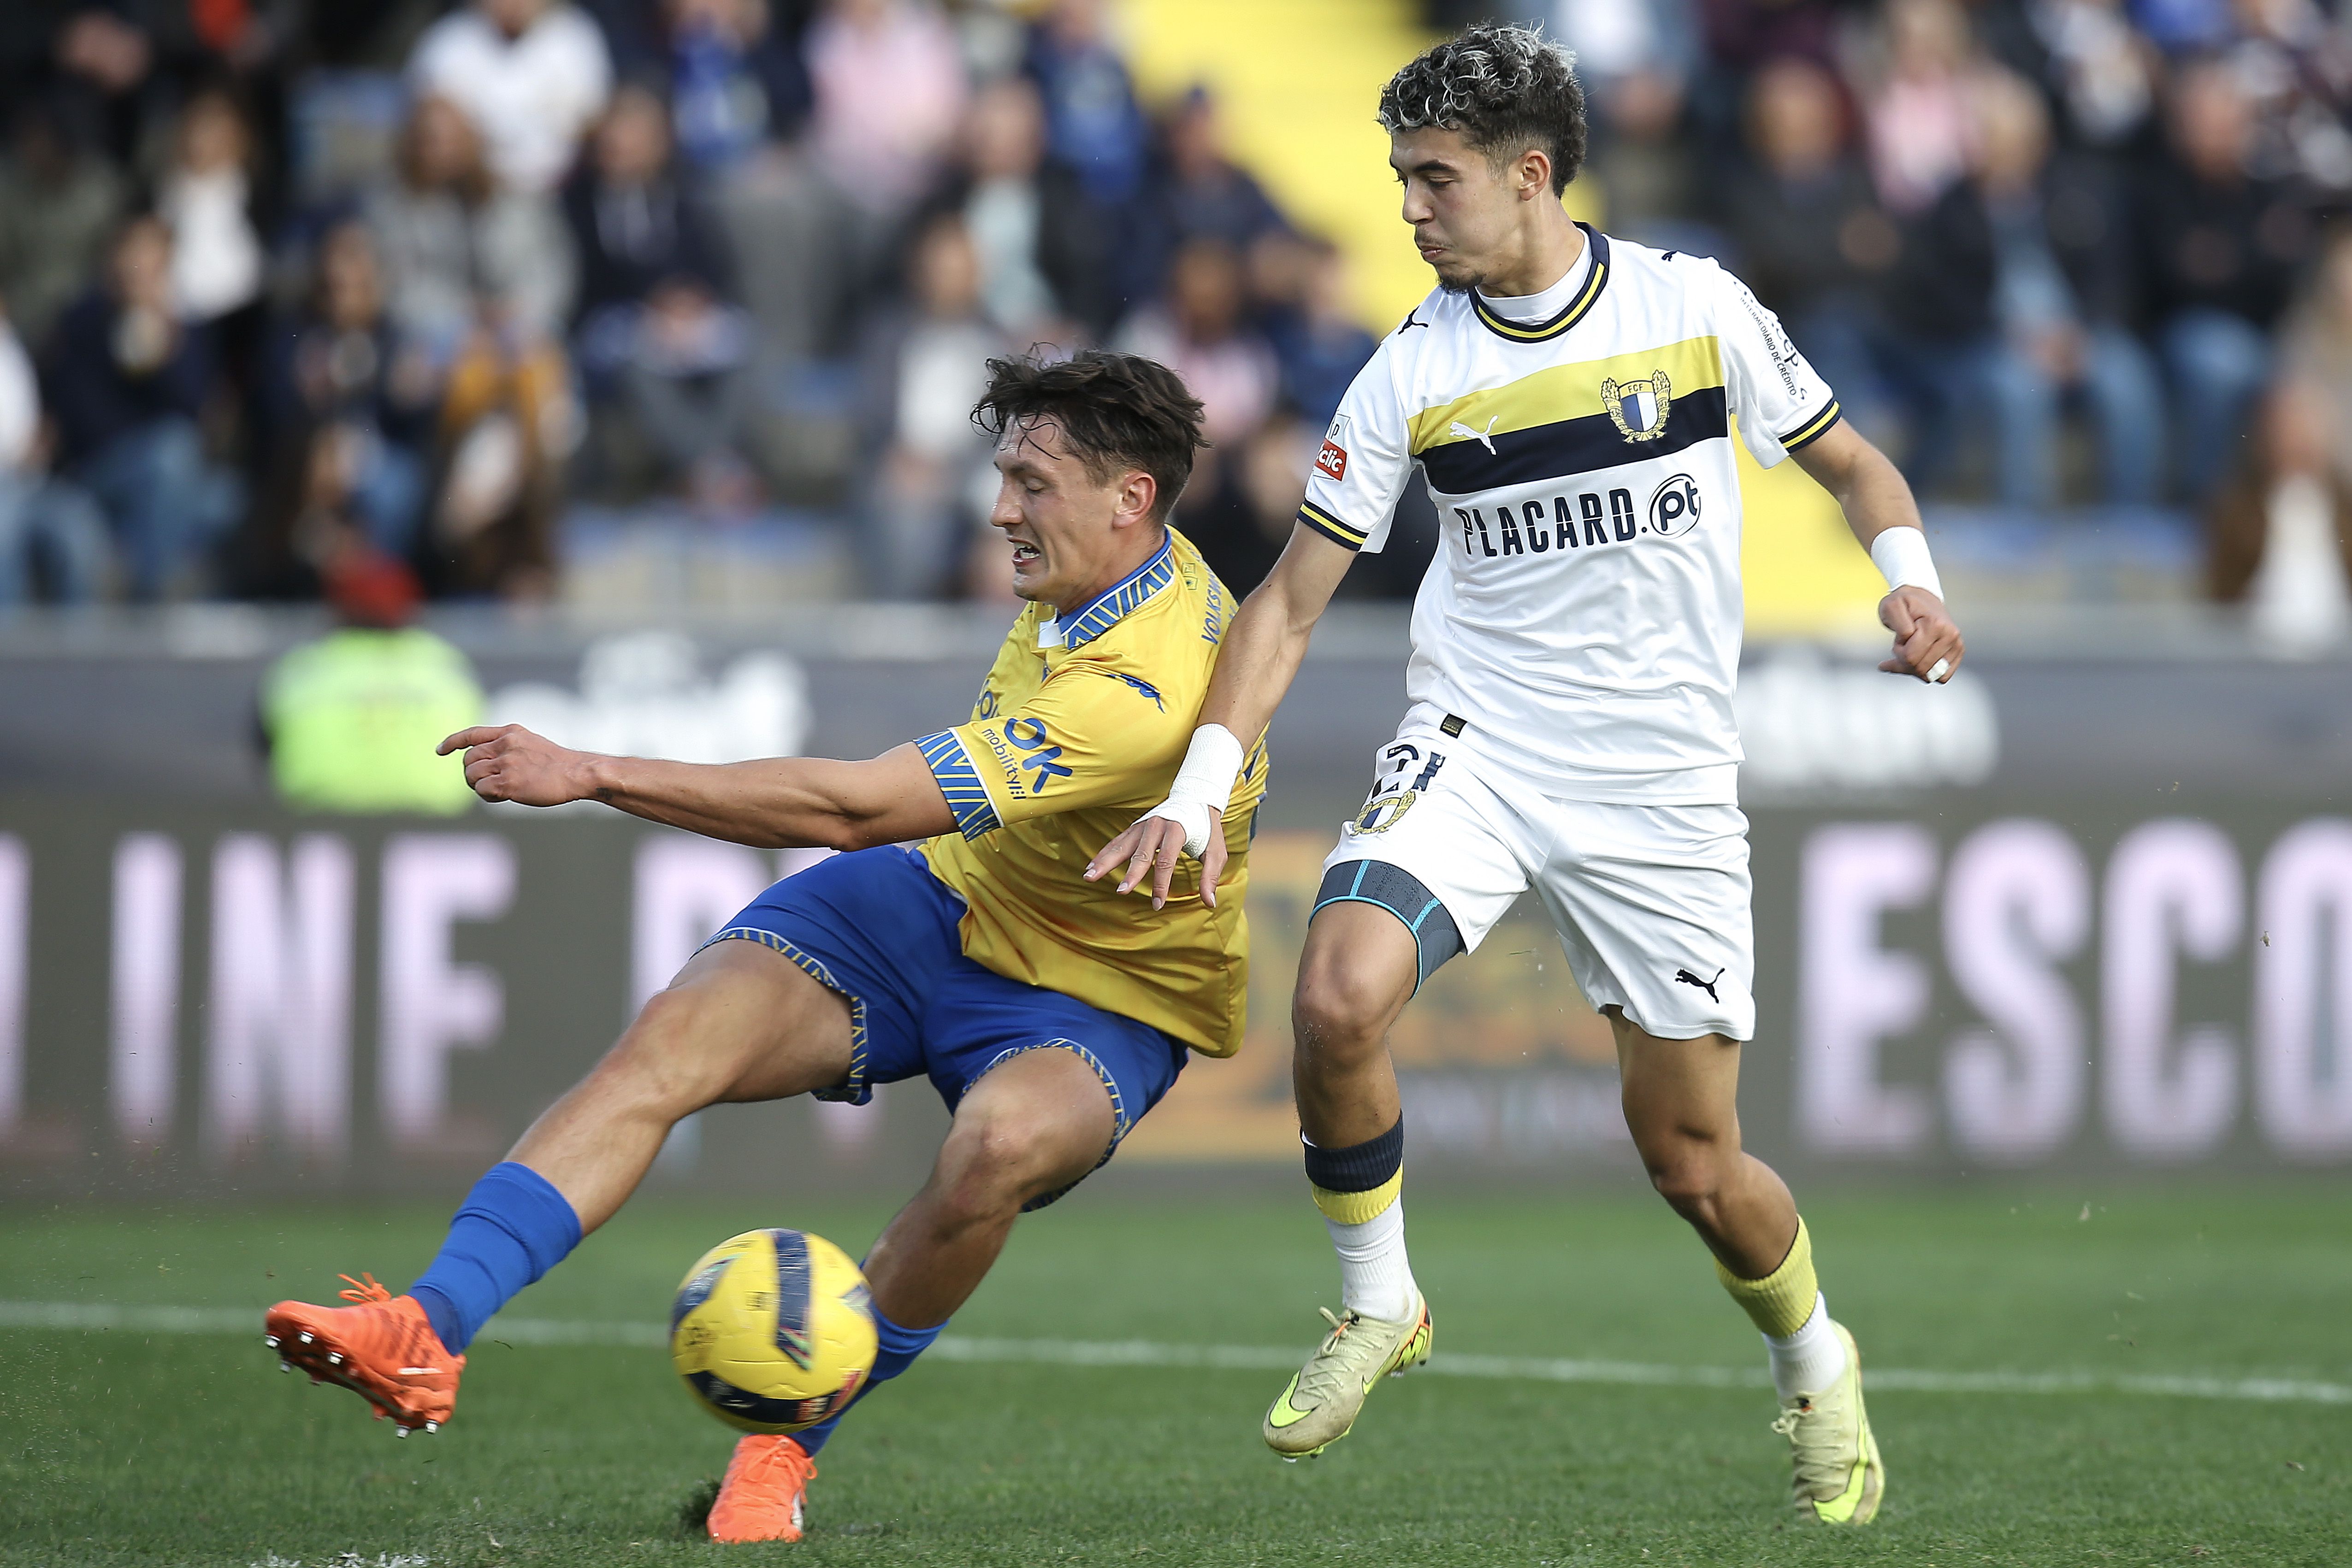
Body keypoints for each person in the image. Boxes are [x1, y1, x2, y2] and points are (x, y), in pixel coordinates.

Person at [1092, 25, 1965, 1527]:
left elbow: (1855, 470)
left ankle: (1815, 1359)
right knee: (1337, 994)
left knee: (1693, 1163)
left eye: (1434, 182)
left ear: (1531, 177)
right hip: (1483, 744)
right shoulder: (1410, 373)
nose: (1410, 213)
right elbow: (1285, 605)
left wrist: (1910, 579)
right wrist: (1194, 785)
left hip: (1664, 785)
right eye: (1400, 181)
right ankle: (1382, 1300)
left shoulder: (1694, 312)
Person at [260, 349, 1270, 1545]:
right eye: (1001, 476)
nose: (1000, 510)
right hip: (939, 903)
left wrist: (594, 770)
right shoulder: (1100, 573)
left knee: (993, 1150)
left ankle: (787, 1446)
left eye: (1031, 484)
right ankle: (427, 1331)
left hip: (1107, 991)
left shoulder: (1142, 691)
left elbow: (847, 809)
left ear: (1130, 499)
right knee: (664, 1048)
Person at [41, 213, 239, 600]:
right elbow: (80, 425)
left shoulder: (186, 328)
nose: (140, 270)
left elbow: (198, 412)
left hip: (171, 482)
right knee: (171, 453)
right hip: (97, 474)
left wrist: (164, 358)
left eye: (152, 259)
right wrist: (125, 356)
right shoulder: (82, 323)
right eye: (132, 256)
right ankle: (151, 599)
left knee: (229, 502)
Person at [258, 549, 485, 814]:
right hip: (433, 823)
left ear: (338, 609)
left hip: (322, 819)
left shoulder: (301, 669)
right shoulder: (446, 665)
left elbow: (264, 747)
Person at [408, 0, 614, 196]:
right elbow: (431, 125)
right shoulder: (449, 43)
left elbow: (595, 120)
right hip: (474, 194)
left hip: (566, 193)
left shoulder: (575, 35)